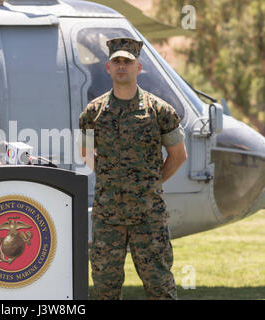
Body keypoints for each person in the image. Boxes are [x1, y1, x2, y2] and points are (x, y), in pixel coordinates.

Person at [79, 37, 188, 300]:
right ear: (107, 67)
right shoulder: (93, 112)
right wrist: (109, 178)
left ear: (138, 67)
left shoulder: (160, 111)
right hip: (108, 218)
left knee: (159, 286)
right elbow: (84, 152)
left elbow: (178, 155)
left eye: (127, 61)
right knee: (105, 288)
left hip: (148, 218)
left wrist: (152, 182)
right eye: (116, 61)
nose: (121, 66)